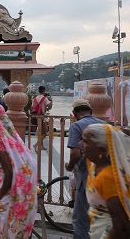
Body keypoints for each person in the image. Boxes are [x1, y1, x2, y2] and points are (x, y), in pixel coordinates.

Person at [0, 103, 37, 238]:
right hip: (16, 190)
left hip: (8, 192)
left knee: (3, 228)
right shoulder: (11, 135)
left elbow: (9, 173)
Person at [81, 123, 130, 238]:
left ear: (102, 150)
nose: (80, 145)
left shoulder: (107, 177)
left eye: (85, 142)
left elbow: (122, 228)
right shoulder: (96, 167)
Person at [65, 99, 105, 239]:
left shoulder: (77, 126)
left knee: (81, 220)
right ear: (91, 111)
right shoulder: (104, 124)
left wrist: (69, 167)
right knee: (100, 217)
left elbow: (75, 154)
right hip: (104, 176)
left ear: (75, 113)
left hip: (86, 177)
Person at [32, 85, 53, 152]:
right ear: (44, 91)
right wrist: (51, 101)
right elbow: (49, 107)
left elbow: (33, 107)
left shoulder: (34, 99)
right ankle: (36, 145)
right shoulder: (44, 98)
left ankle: (41, 146)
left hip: (35, 117)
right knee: (44, 133)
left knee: (40, 132)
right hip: (42, 117)